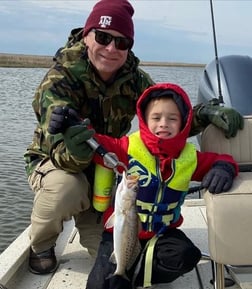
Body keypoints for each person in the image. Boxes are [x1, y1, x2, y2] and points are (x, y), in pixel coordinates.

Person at [24, 0, 243, 275]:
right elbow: (61, 152)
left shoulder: (133, 78)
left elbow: (163, 113)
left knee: (110, 263)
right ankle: (41, 245)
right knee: (68, 189)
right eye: (103, 38)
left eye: (122, 42)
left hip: (106, 171)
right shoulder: (59, 79)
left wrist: (204, 113)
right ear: (87, 35)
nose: (111, 49)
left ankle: (92, 219)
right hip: (60, 163)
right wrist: (77, 146)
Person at [66, 82, 237, 289]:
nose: (163, 123)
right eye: (156, 118)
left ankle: (133, 273)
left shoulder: (190, 157)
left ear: (184, 123)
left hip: (163, 233)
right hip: (120, 233)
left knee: (187, 256)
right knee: (99, 285)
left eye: (172, 119)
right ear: (145, 121)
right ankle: (124, 269)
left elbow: (224, 159)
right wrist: (72, 126)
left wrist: (224, 169)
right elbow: (96, 142)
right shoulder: (127, 148)